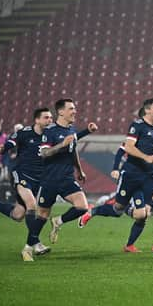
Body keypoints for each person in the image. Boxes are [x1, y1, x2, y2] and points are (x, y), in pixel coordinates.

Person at [0, 109, 84, 261]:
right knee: (32, 206)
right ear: (37, 120)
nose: (50, 120)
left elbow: (72, 143)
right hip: (22, 174)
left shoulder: (52, 135)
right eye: (46, 118)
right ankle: (35, 244)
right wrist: (3, 148)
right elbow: (11, 142)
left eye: (51, 117)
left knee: (18, 214)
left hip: (40, 179)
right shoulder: (25, 132)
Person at [78, 98, 153, 254]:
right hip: (131, 174)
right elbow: (128, 147)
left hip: (149, 175)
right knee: (118, 210)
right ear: (147, 110)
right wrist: (144, 158)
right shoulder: (137, 126)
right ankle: (92, 211)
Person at [26, 99, 98, 250]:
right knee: (42, 216)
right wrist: (61, 145)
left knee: (82, 207)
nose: (74, 111)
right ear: (60, 112)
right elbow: (44, 153)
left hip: (66, 179)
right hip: (49, 180)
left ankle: (58, 221)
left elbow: (73, 148)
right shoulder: (50, 130)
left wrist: (79, 169)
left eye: (75, 108)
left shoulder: (71, 129)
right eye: (71, 108)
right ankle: (32, 245)